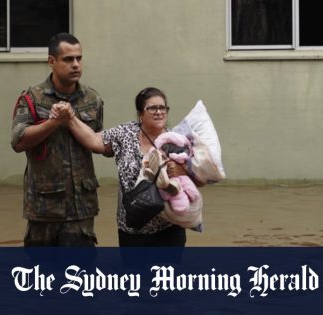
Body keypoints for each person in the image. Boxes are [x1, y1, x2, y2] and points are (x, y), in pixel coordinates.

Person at [52, 87, 204, 247]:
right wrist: (70, 118)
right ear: (140, 113)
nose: (159, 112)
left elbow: (201, 178)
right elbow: (94, 141)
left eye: (163, 107)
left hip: (169, 228)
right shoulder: (125, 133)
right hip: (132, 229)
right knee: (134, 272)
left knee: (166, 272)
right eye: (152, 108)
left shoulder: (177, 140)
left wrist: (181, 170)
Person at [11, 33, 105, 247]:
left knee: (80, 275)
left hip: (81, 207)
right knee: (41, 276)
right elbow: (18, 141)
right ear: (52, 61)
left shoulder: (92, 99)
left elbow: (98, 141)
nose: (75, 65)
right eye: (68, 59)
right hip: (44, 206)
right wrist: (53, 122)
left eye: (79, 59)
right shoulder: (32, 98)